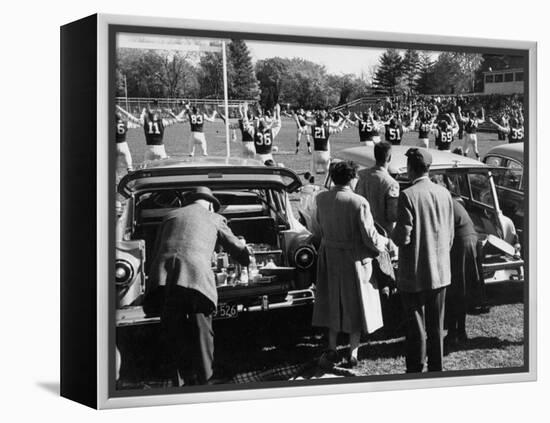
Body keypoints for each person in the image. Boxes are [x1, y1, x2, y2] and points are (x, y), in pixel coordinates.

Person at [144, 187, 251, 385]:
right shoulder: (214, 217)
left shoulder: (170, 216)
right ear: (210, 204)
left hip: (164, 279)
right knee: (202, 332)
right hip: (195, 279)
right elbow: (236, 248)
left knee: (173, 332)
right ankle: (205, 381)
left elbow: (157, 248)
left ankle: (180, 381)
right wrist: (247, 259)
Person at [310, 161, 387, 368]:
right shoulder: (358, 202)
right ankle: (353, 353)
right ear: (352, 178)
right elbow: (369, 235)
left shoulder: (321, 198)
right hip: (353, 259)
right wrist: (384, 243)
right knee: (356, 305)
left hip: (330, 257)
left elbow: (317, 227)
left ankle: (332, 348)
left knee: (332, 303)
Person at [392, 148, 454, 373]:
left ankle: (416, 369)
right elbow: (450, 234)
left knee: (416, 326)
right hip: (440, 271)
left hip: (415, 272)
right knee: (436, 327)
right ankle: (436, 368)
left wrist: (392, 233)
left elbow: (403, 237)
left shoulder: (408, 194)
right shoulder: (444, 192)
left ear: (410, 168)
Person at [445, 195, 480, 347]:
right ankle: (458, 332)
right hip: (468, 240)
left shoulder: (443, 201)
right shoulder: (448, 199)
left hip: (461, 241)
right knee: (460, 289)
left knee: (456, 289)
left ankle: (455, 333)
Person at [355, 141, 399, 235]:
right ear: (389, 158)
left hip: (362, 232)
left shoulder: (361, 175)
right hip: (383, 234)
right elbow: (392, 215)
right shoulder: (392, 184)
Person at [305, 112, 346, 177]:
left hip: (316, 153)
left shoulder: (312, 129)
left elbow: (302, 131)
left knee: (313, 173)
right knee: (327, 173)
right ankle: (327, 186)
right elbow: (339, 129)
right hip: (325, 154)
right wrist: (344, 121)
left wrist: (299, 122)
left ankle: (312, 185)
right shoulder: (328, 128)